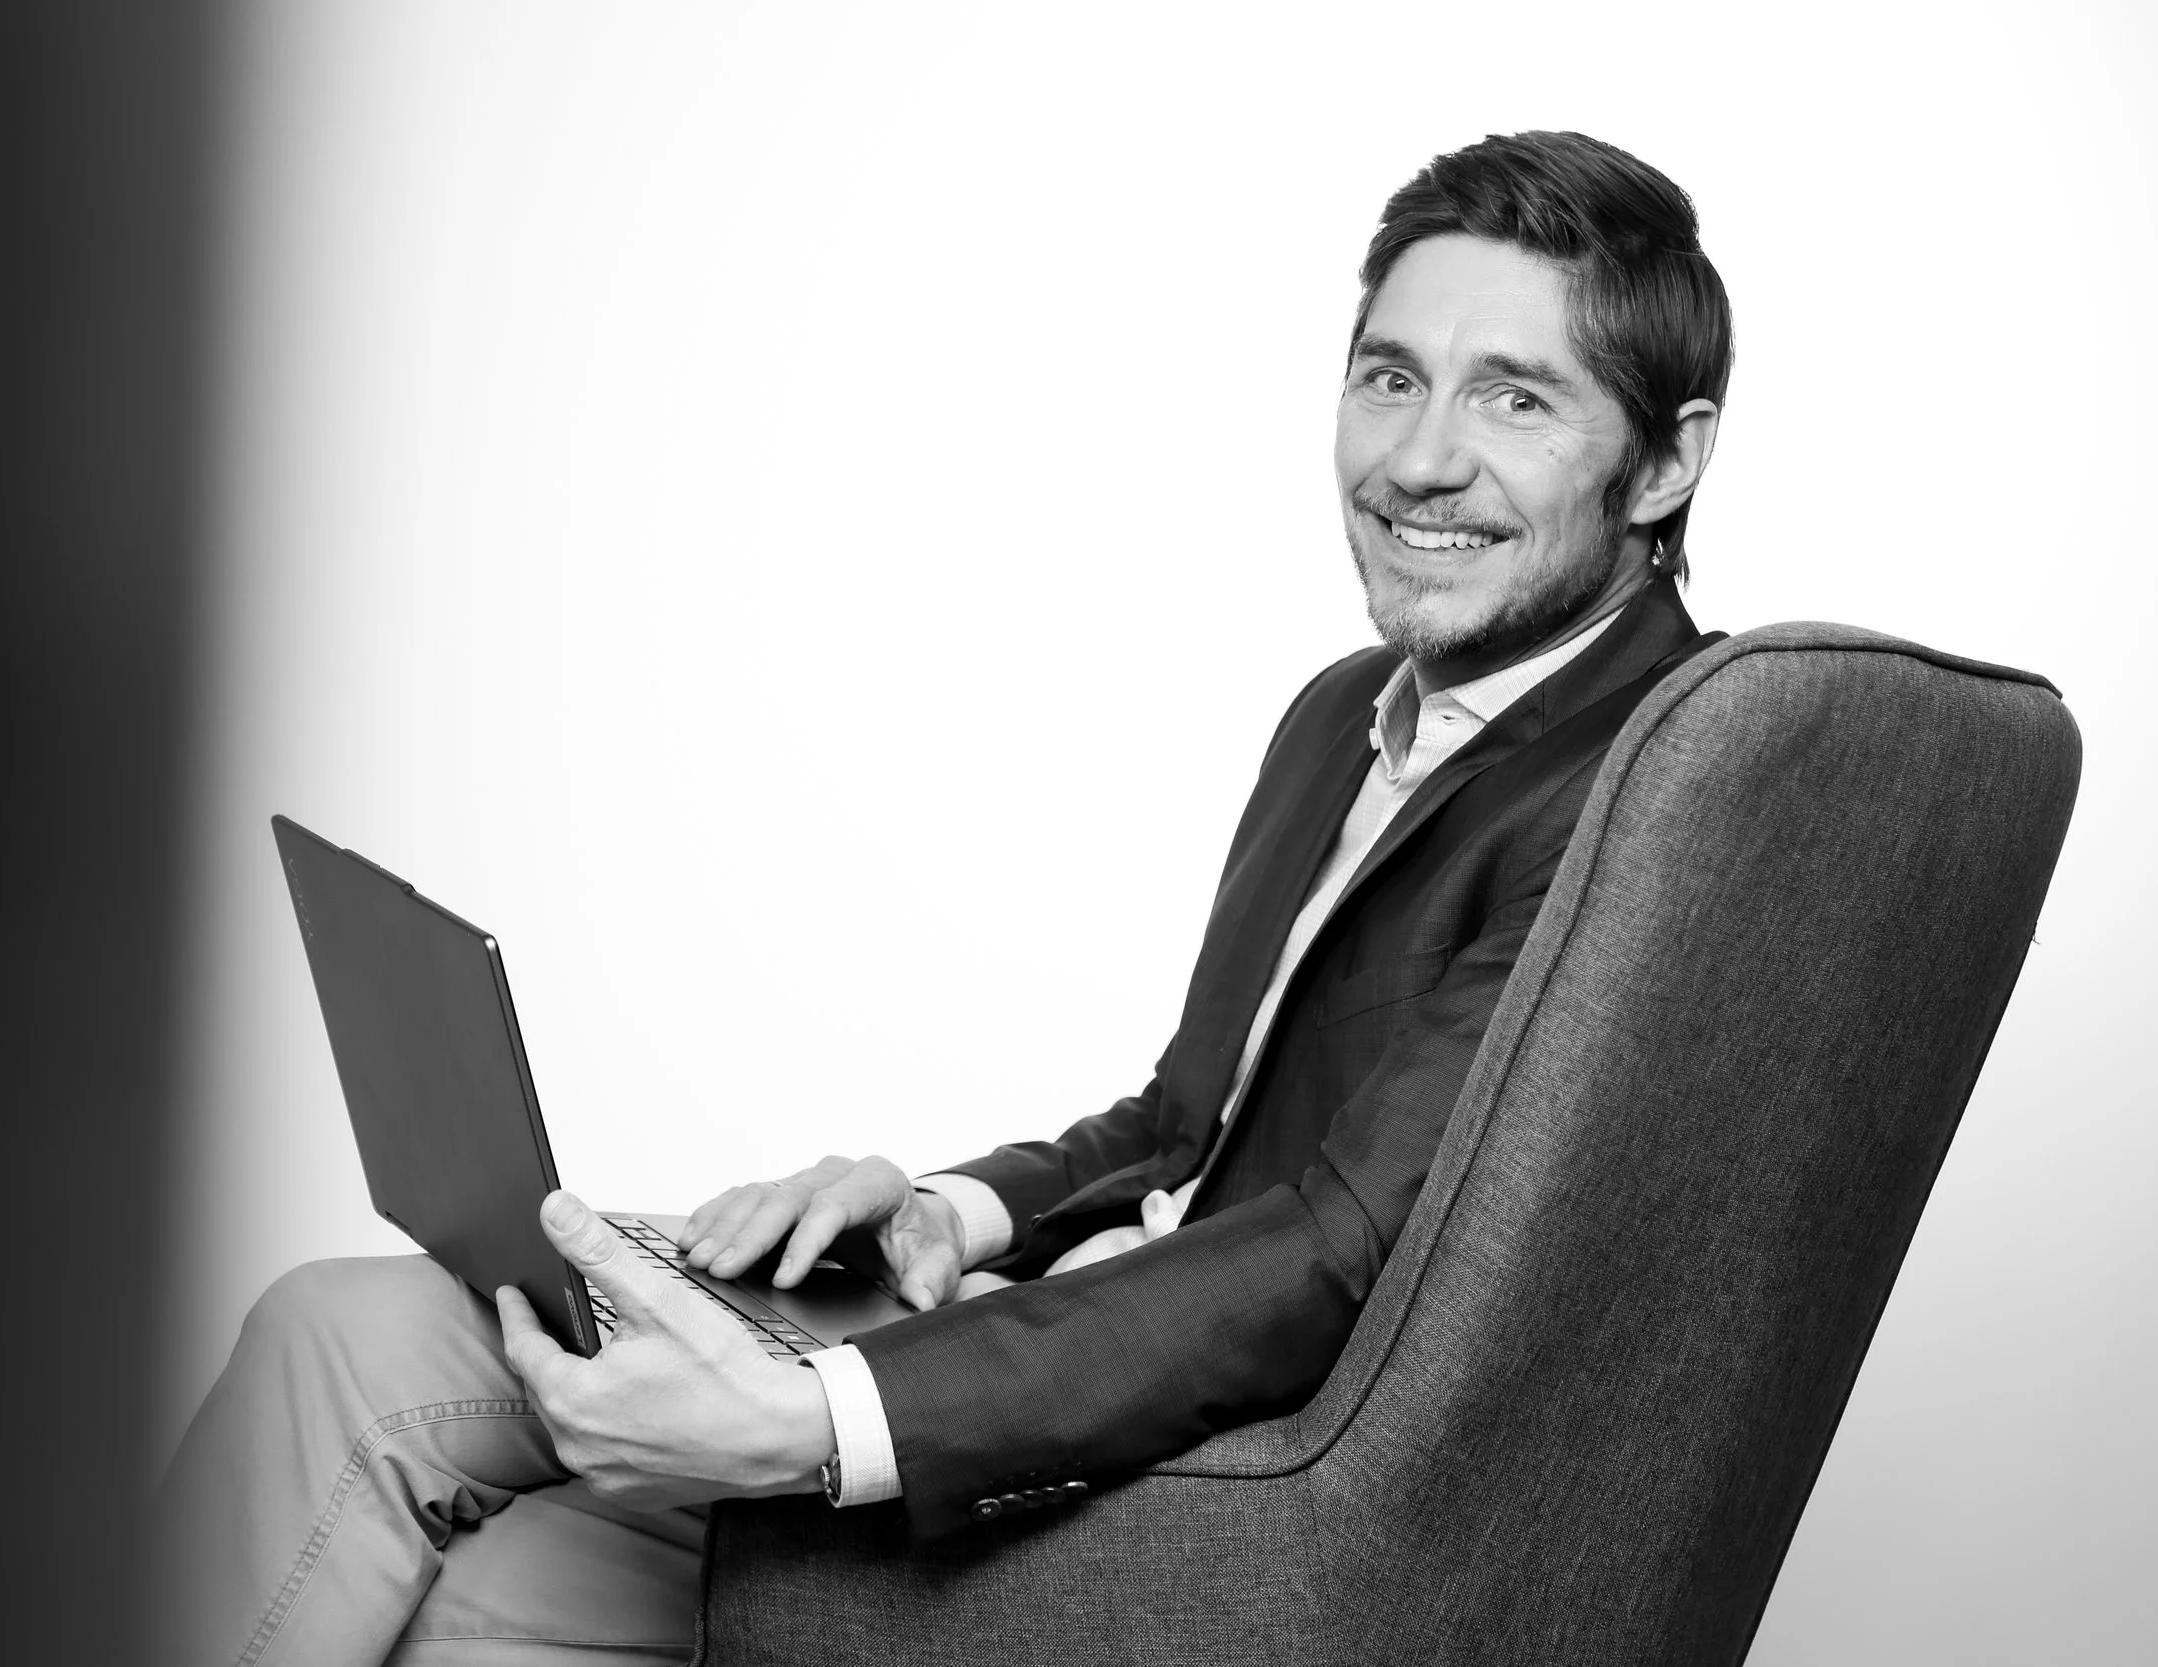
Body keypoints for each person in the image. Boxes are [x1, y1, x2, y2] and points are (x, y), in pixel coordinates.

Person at [157, 129, 1733, 1665]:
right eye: (1391, 377)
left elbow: (1342, 1255)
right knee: (344, 1343)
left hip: (1173, 1469)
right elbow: (1190, 1126)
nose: (1418, 459)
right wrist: (941, 1211)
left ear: (1669, 458)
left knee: (433, 1490)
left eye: (1515, 398)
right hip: (1037, 1336)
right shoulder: (1354, 712)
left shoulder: (1644, 794)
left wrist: (818, 1421)